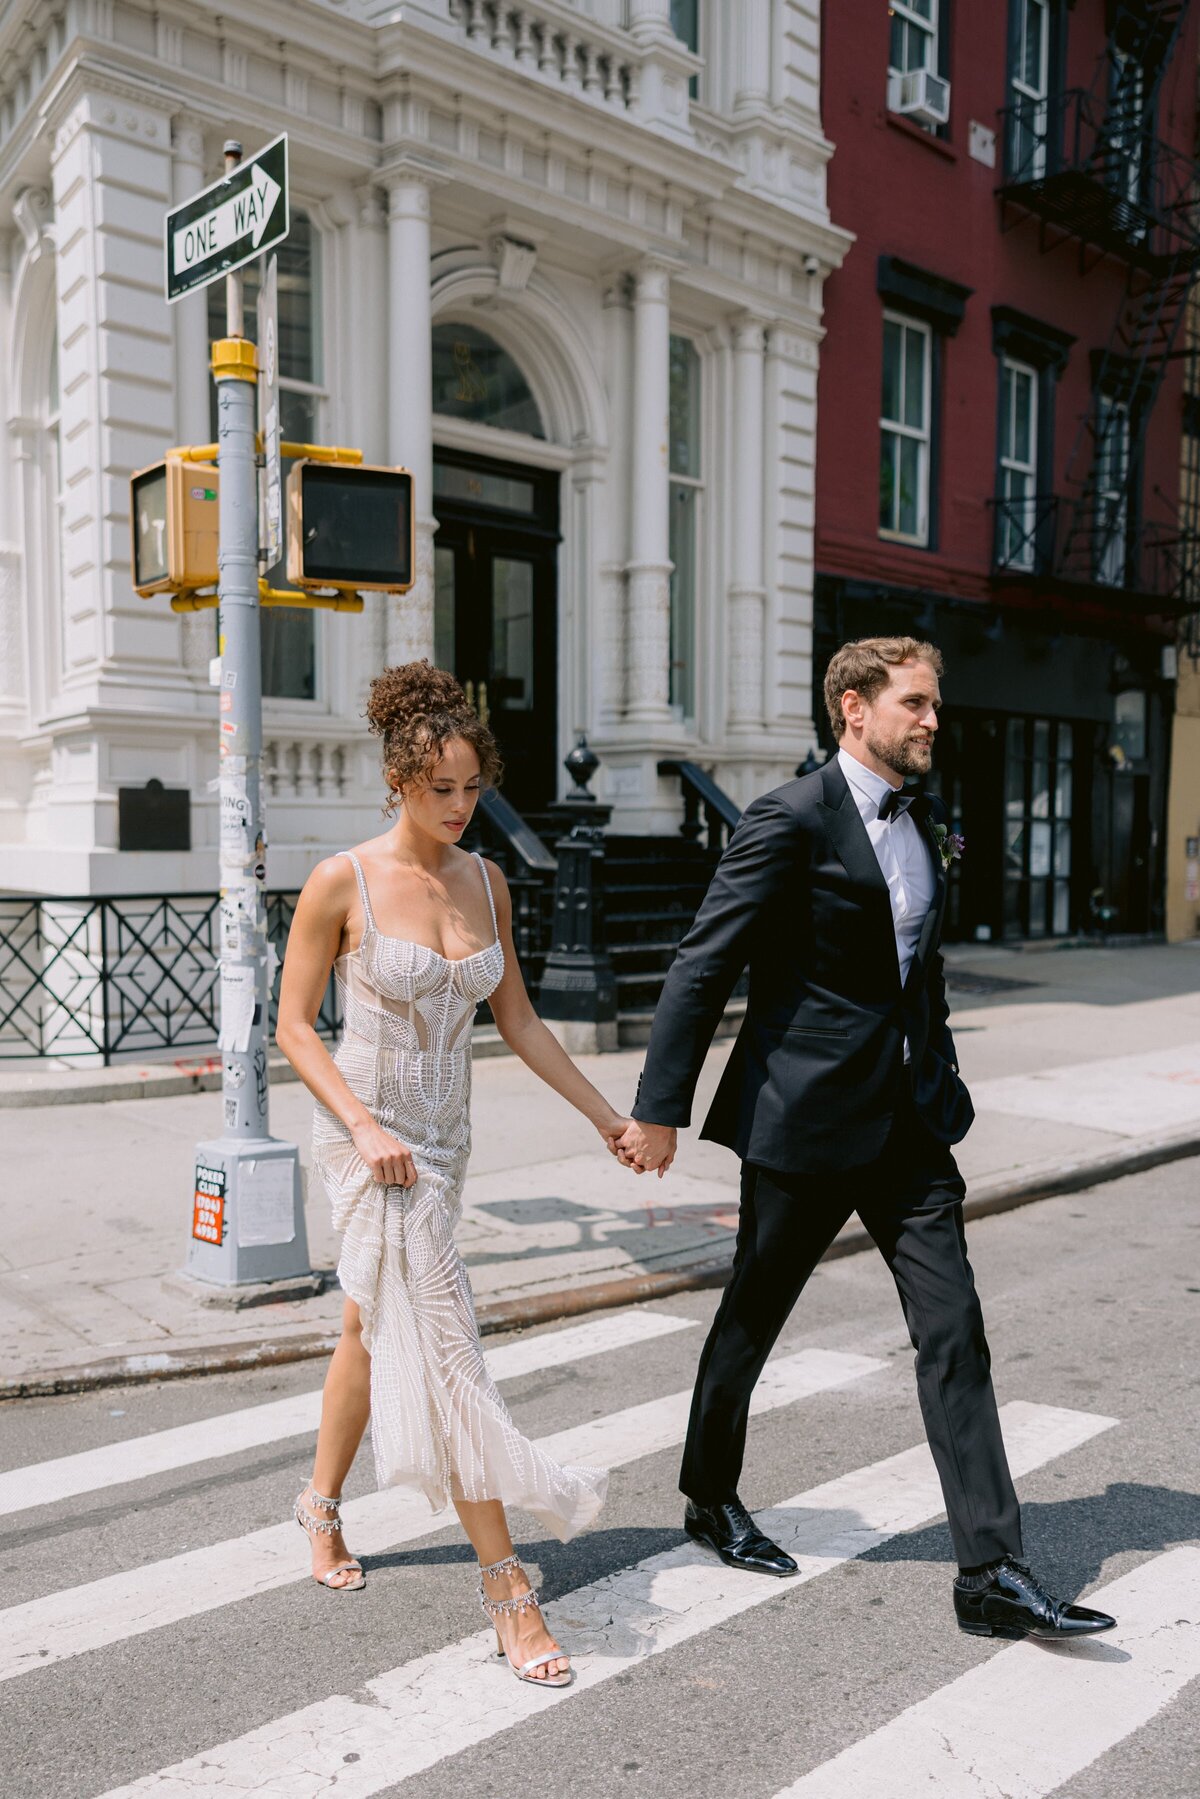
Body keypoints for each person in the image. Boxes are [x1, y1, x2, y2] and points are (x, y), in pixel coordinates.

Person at [613, 636, 1115, 1642]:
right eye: (918, 704)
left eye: (937, 705)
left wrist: (945, 1071)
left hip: (910, 1127)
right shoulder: (788, 819)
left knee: (954, 1328)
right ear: (855, 707)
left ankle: (991, 1568)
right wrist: (659, 1108)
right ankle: (709, 1495)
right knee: (753, 1317)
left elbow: (914, 970)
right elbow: (702, 964)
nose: (935, 721)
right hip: (802, 1120)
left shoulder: (925, 823)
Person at [277, 661, 630, 1686]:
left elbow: (515, 1017)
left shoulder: (487, 880)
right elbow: (295, 1026)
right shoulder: (340, 879)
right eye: (441, 788)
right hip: (371, 1139)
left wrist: (607, 1115)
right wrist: (359, 1126)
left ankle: (320, 1506)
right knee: (443, 1346)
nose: (460, 806)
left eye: (473, 787)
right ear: (396, 778)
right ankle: (510, 1592)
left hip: (445, 1141)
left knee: (362, 1321)